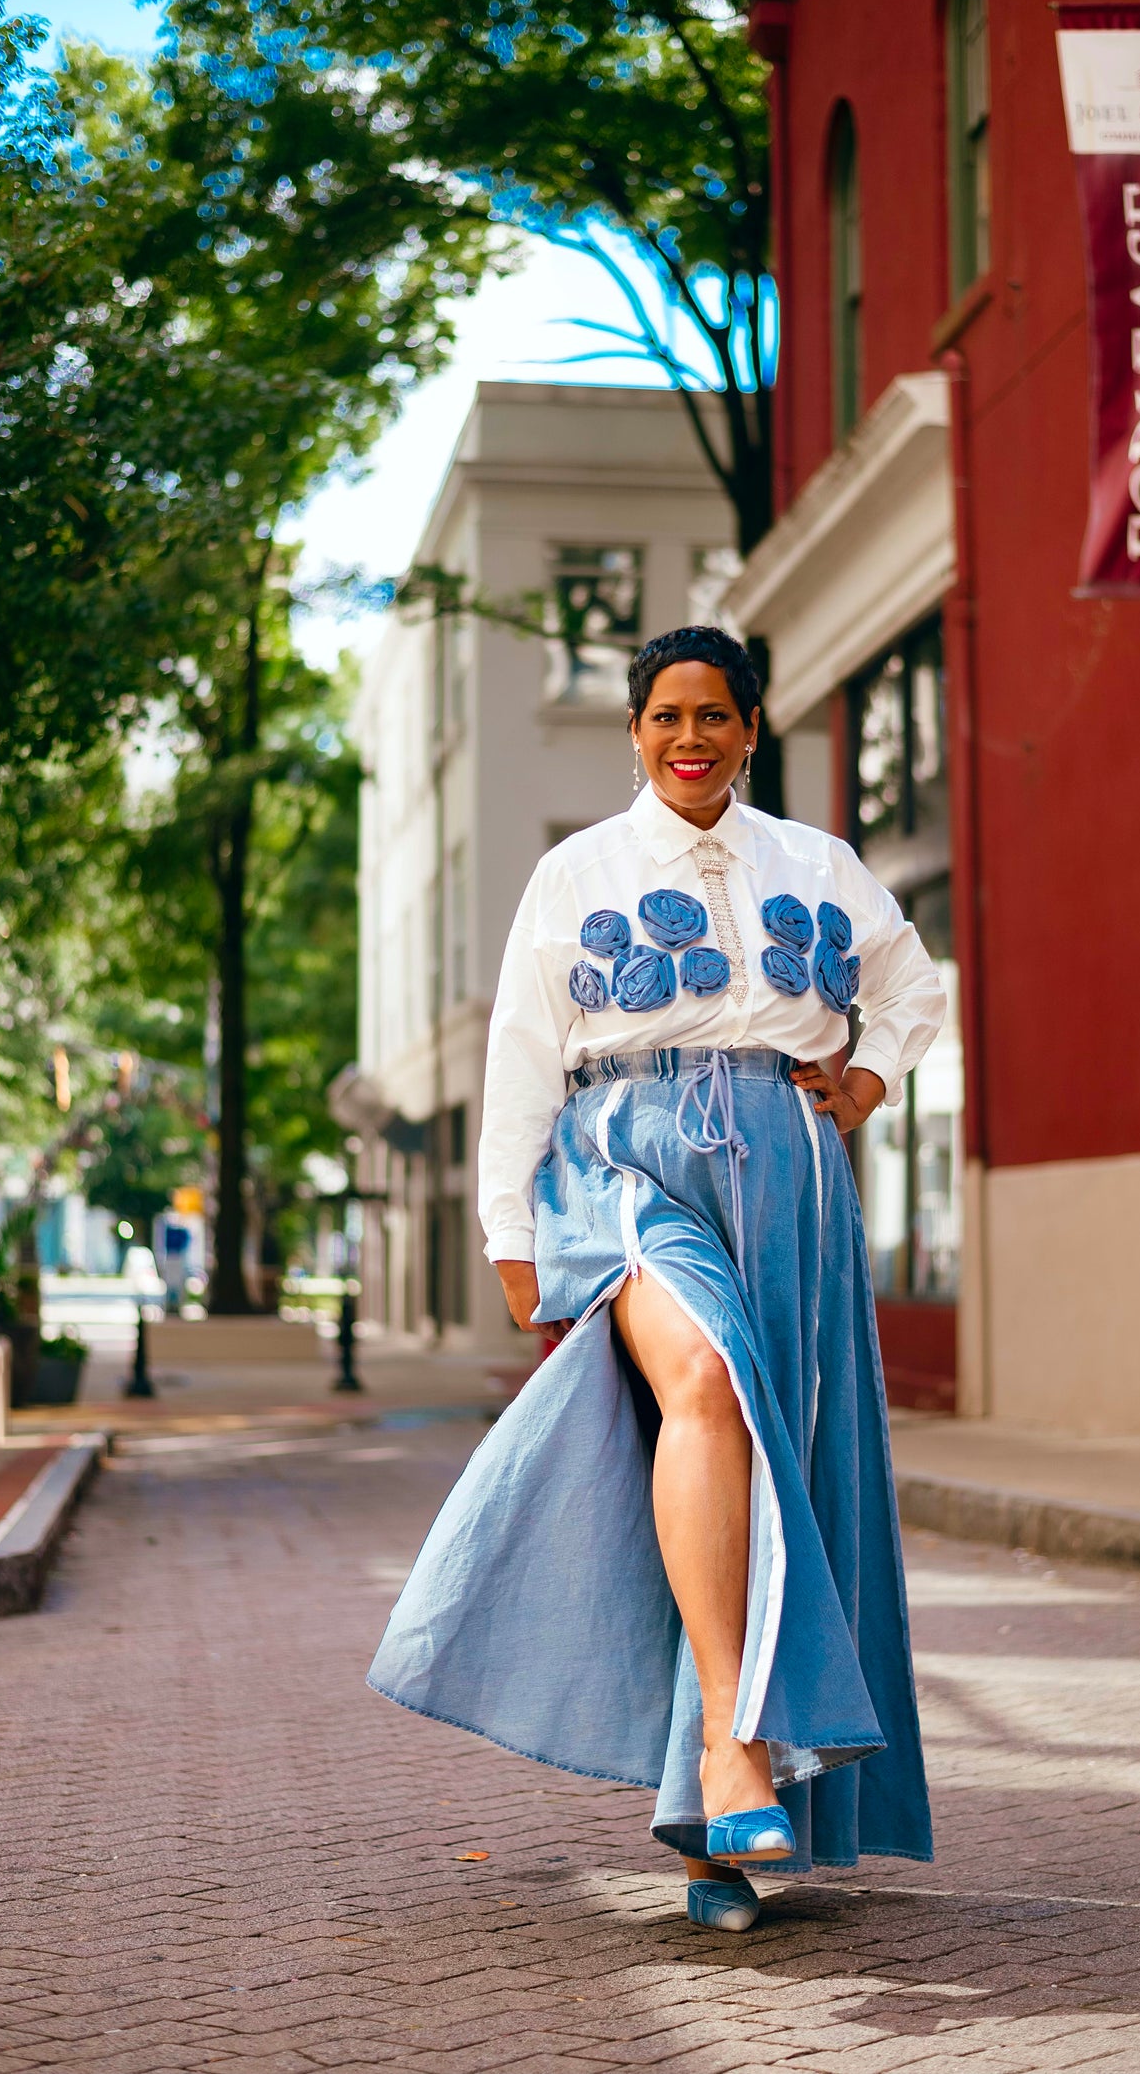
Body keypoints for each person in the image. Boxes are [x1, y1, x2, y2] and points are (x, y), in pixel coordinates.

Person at [369, 625, 947, 1932]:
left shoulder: (819, 865)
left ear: (750, 727)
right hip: (622, 1163)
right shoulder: (577, 872)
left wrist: (864, 1078)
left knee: (772, 1456)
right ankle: (729, 1757)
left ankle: (714, 1829)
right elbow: (522, 1057)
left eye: (714, 715)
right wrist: (508, 1233)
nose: (689, 737)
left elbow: (914, 988)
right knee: (704, 1386)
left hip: (791, 1176)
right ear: (633, 730)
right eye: (665, 715)